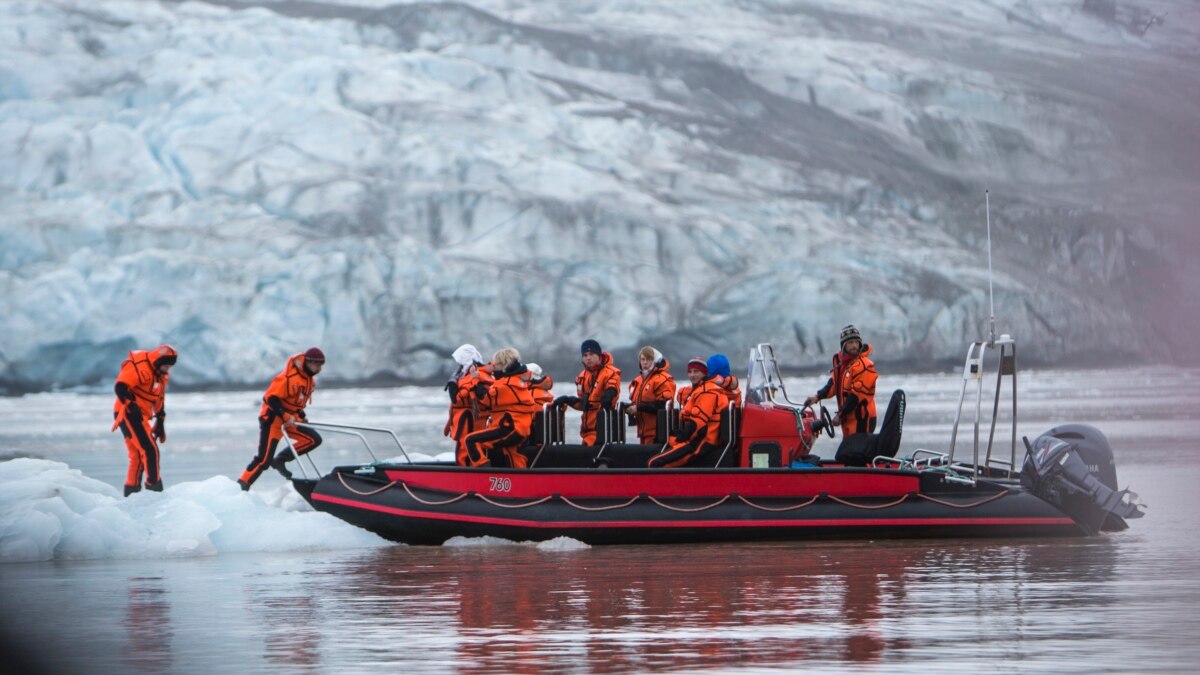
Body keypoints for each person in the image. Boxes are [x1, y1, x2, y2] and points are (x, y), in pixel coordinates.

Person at [238, 347, 325, 490]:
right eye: (316, 365)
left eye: (320, 366)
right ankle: (242, 486)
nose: (318, 369)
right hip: (273, 419)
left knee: (313, 439)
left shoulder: (310, 381)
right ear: (308, 362)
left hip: (290, 419)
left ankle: (280, 460)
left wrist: (302, 416)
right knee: (264, 460)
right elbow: (270, 398)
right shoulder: (287, 378)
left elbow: (297, 402)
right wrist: (284, 415)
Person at [111, 344, 177, 496]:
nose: (167, 369)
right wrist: (129, 403)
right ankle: (155, 491)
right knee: (149, 450)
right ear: (158, 362)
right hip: (127, 412)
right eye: (166, 365)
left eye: (170, 366)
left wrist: (160, 420)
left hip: (139, 415)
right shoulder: (139, 366)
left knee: (138, 456)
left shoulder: (160, 375)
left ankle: (131, 495)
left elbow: (159, 398)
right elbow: (120, 386)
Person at [462, 348, 541, 468]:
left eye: (495, 365)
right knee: (512, 452)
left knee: (471, 440)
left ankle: (483, 473)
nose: (493, 368)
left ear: (503, 365)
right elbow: (498, 395)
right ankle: (520, 479)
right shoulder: (518, 379)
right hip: (521, 428)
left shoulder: (505, 384)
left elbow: (485, 399)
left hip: (510, 429)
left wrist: (474, 380)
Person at [648, 354, 727, 468]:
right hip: (696, 439)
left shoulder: (708, 392)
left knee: (654, 463)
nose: (692, 375)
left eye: (696, 372)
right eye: (690, 372)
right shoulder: (701, 389)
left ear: (705, 373)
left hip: (701, 443)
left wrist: (680, 437)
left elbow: (698, 423)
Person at [804, 325, 878, 438]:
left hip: (862, 419)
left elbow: (856, 396)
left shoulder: (864, 365)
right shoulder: (842, 364)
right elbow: (834, 384)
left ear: (860, 343)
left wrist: (840, 415)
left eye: (856, 342)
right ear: (843, 345)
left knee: (854, 453)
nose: (854, 345)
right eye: (850, 342)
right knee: (849, 452)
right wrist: (817, 397)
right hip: (848, 418)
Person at [554, 339, 622, 446]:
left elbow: (612, 390)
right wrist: (568, 400)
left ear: (599, 356)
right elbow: (583, 405)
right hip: (587, 432)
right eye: (585, 355)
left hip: (602, 431)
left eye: (591, 354)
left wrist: (609, 394)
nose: (588, 358)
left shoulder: (610, 373)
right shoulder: (582, 376)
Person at [444, 344, 493, 466]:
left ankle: (467, 469)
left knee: (465, 443)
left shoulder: (473, 376)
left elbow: (457, 400)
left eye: (461, 361)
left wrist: (471, 383)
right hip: (477, 415)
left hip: (468, 416)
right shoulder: (484, 374)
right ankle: (474, 467)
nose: (459, 365)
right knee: (474, 442)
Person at [624, 346, 676, 445]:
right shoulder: (638, 381)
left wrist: (639, 407)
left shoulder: (663, 379)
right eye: (643, 359)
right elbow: (637, 403)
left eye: (649, 359)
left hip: (658, 433)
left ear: (655, 360)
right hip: (642, 432)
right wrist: (629, 407)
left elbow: (663, 405)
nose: (645, 362)